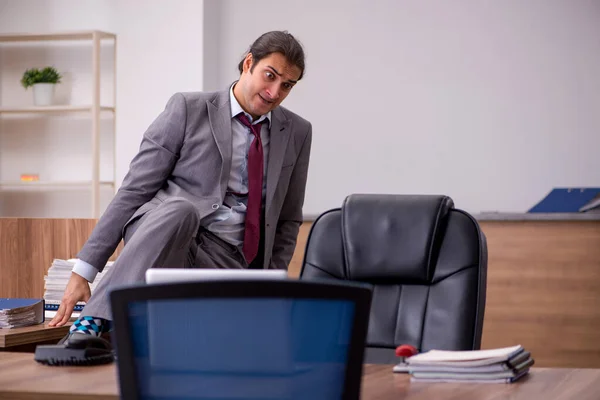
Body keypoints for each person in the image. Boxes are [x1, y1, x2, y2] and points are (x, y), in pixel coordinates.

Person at [49, 31, 312, 339]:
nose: (274, 91)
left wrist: (269, 281)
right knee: (182, 210)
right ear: (249, 63)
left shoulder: (297, 132)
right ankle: (91, 323)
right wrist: (83, 271)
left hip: (226, 260)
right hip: (167, 236)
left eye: (287, 85)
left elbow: (288, 218)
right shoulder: (188, 108)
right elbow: (135, 189)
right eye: (270, 76)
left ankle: (119, 334)